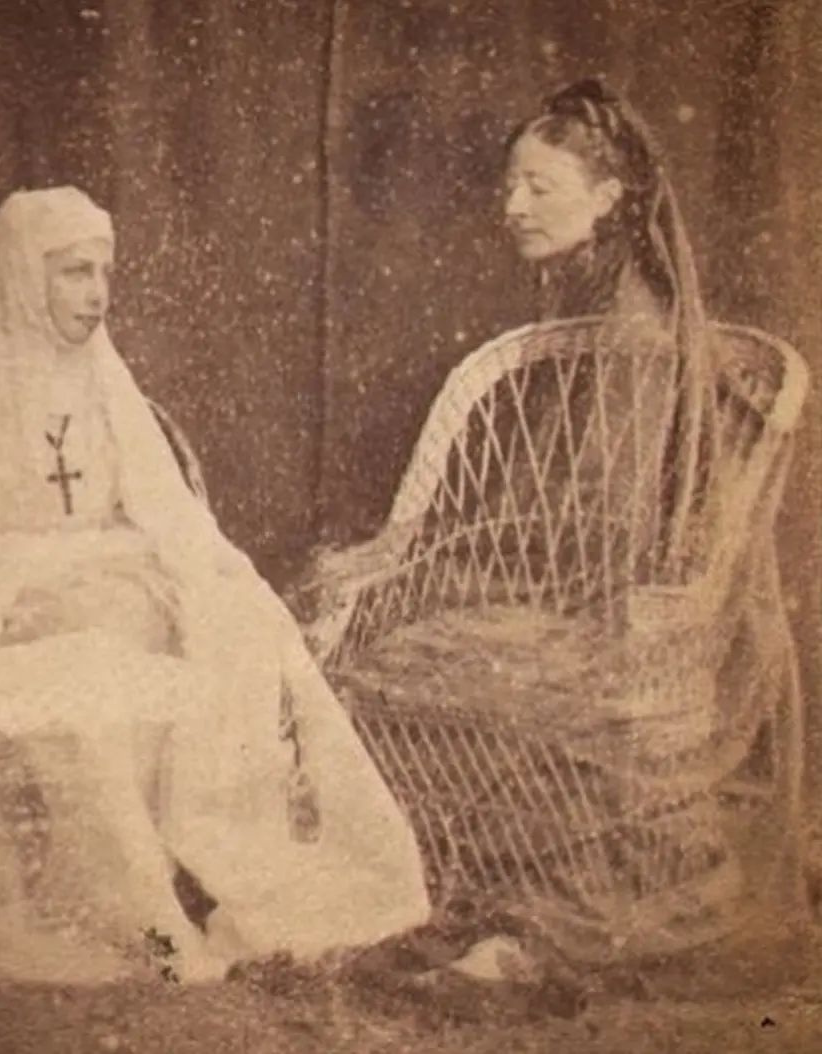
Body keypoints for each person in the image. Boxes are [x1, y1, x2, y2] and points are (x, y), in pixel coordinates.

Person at [0, 187, 429, 985]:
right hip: (8, 627)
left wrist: (185, 578)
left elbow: (170, 518)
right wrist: (34, 578)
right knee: (84, 692)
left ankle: (243, 879)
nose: (97, 293)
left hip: (109, 618)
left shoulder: (104, 388)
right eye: (75, 272)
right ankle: (141, 922)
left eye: (105, 272)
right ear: (20, 277)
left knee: (233, 634)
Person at [305, 80, 797, 975]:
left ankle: (521, 914)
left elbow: (604, 527)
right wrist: (408, 557)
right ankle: (433, 885)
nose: (514, 206)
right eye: (508, 187)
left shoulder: (634, 330)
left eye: (539, 186)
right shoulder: (583, 312)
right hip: (583, 593)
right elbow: (535, 506)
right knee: (394, 637)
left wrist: (437, 572)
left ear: (608, 196)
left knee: (405, 652)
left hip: (627, 612)